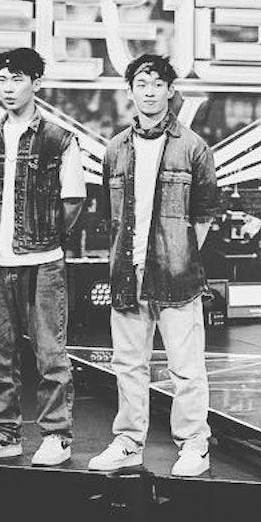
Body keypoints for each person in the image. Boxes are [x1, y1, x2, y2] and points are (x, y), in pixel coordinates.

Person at [89, 55, 225, 476]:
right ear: (130, 91)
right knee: (128, 365)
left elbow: (204, 215)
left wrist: (179, 254)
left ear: (170, 90)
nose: (149, 92)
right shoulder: (115, 148)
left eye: (157, 84)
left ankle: (194, 444)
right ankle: (129, 443)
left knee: (186, 368)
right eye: (141, 84)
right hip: (127, 273)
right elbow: (110, 216)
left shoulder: (193, 146)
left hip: (176, 274)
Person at [0, 48, 87, 467]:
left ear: (36, 83)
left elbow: (73, 200)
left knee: (50, 353)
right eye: (2, 79)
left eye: (17, 79)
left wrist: (45, 238)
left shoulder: (59, 138)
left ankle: (57, 436)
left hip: (43, 260)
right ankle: (4, 433)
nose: (8, 88)